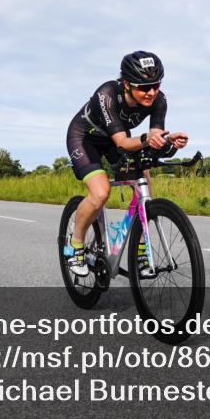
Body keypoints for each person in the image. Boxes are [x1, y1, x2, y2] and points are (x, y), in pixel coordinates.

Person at [65, 51, 189, 276]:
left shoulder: (159, 100)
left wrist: (168, 142)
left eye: (156, 85)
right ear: (126, 83)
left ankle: (141, 251)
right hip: (85, 138)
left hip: (117, 139)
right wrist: (145, 139)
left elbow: (154, 138)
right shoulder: (107, 94)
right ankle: (74, 246)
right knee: (101, 193)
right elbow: (122, 141)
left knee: (144, 182)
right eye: (143, 87)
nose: (151, 92)